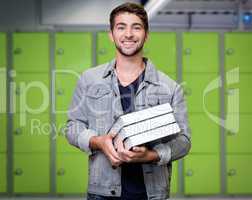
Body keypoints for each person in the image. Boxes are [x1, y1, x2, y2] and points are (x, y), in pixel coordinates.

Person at [65, 2, 191, 200]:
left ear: (146, 34)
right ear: (111, 34)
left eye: (136, 27)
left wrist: (152, 155)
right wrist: (98, 141)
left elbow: (184, 141)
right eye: (121, 27)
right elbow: (73, 126)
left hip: (152, 194)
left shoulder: (170, 87)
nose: (129, 34)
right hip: (102, 193)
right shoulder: (89, 79)